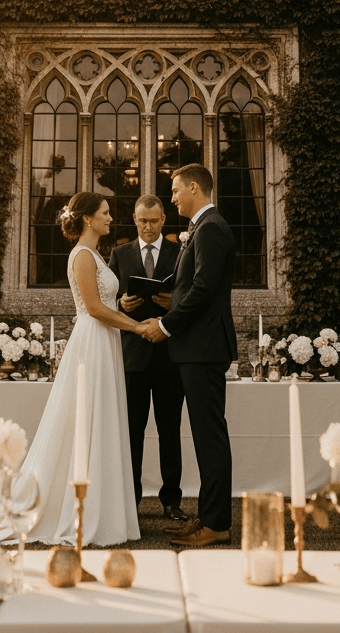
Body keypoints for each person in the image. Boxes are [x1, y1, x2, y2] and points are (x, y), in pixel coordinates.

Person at [17, 192, 146, 545]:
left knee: (102, 417)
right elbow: (92, 308)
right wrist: (135, 326)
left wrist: (122, 303)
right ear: (88, 218)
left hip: (105, 340)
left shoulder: (96, 255)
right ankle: (79, 509)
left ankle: (105, 509)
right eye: (105, 213)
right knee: (86, 417)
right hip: (93, 339)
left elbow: (104, 302)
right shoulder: (83, 256)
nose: (110, 218)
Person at [141, 164, 236, 547]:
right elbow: (192, 287)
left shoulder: (210, 228)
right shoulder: (202, 227)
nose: (174, 196)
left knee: (210, 438)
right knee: (203, 436)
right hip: (196, 347)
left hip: (203, 347)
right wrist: (171, 296)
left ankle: (217, 525)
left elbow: (203, 290)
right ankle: (209, 517)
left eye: (176, 190)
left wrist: (165, 325)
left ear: (194, 188)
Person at [108, 194, 187, 521]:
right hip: (133, 359)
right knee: (132, 433)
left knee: (170, 431)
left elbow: (190, 296)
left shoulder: (179, 252)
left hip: (170, 357)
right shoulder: (120, 254)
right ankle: (131, 502)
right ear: (134, 219)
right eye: (143, 221)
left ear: (164, 219)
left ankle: (172, 501)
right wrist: (120, 306)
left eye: (154, 221)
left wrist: (174, 304)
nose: (149, 227)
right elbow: (103, 301)